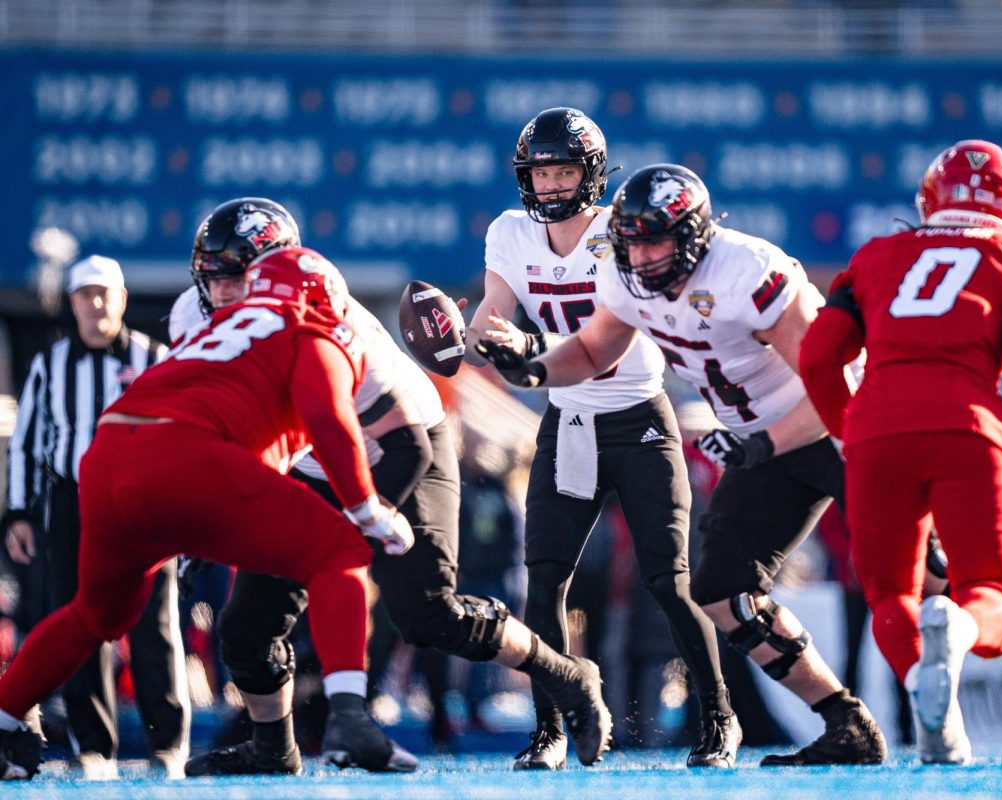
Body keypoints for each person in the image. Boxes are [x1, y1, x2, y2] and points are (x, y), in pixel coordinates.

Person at [174, 197, 612, 776]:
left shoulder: (338, 328)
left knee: (427, 614)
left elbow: (410, 445)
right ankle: (272, 747)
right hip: (302, 464)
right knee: (246, 626)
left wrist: (358, 523)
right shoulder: (191, 315)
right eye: (214, 279)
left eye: (240, 281)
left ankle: (565, 673)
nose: (225, 296)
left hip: (396, 448)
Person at [475, 162, 890, 767]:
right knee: (707, 587)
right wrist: (528, 364)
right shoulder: (610, 263)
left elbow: (828, 383)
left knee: (919, 582)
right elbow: (587, 347)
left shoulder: (747, 269)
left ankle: (722, 720)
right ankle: (843, 722)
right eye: (634, 242)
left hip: (823, 427)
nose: (642, 257)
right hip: (634, 426)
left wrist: (766, 443)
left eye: (656, 241)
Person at [0, 246, 423, 781]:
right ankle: (348, 720)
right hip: (187, 458)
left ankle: (4, 719)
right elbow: (326, 414)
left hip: (108, 458)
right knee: (340, 549)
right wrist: (368, 509)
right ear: (324, 296)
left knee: (96, 614)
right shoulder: (310, 327)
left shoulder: (209, 331)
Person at [797, 140, 1002, 764]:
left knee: (890, 596)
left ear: (926, 201)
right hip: (968, 428)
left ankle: (942, 726)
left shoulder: (878, 254)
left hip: (877, 429)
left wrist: (847, 432)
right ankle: (959, 632)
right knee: (993, 593)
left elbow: (817, 356)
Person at [464, 109, 739, 770]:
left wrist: (527, 351)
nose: (553, 184)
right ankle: (550, 726)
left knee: (670, 582)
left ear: (590, 173)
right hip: (568, 420)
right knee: (544, 584)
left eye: (564, 170)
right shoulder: (510, 233)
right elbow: (487, 324)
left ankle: (717, 719)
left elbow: (602, 350)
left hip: (639, 417)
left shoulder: (624, 232)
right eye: (543, 171)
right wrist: (467, 339)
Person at [3, 255, 189, 779]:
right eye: (86, 294)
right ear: (73, 302)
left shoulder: (155, 358)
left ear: (122, 299)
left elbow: (179, 436)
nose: (96, 303)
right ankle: (93, 745)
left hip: (143, 506)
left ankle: (167, 743)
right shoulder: (50, 363)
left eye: (105, 293)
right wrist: (19, 512)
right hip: (72, 503)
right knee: (79, 621)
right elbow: (28, 444)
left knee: (156, 621)